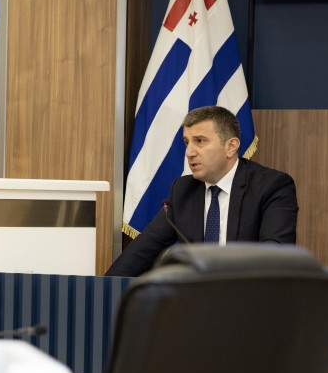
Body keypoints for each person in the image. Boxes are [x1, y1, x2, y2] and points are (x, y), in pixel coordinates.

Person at [106, 105, 298, 277]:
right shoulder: (183, 190)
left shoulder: (272, 186)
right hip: (197, 299)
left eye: (200, 141)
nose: (189, 152)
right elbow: (142, 251)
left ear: (231, 147)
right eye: (186, 142)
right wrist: (103, 290)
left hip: (251, 296)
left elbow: (274, 257)